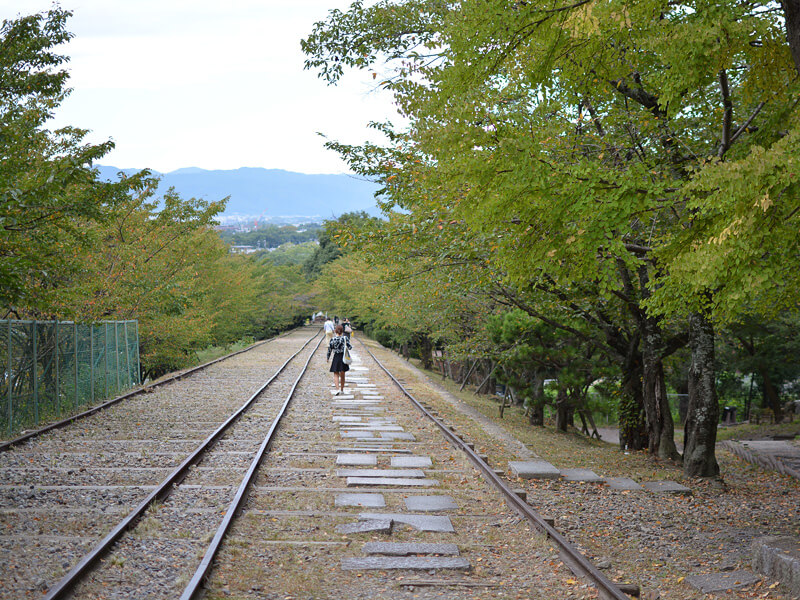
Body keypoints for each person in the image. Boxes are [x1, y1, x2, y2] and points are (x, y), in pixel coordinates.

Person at [327, 324, 352, 395]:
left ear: (335, 331)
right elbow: (350, 347)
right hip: (343, 357)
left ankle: (337, 389)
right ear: (342, 331)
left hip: (336, 357)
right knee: (343, 374)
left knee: (336, 374)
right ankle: (342, 389)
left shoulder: (333, 339)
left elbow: (329, 349)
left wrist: (327, 357)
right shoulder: (345, 338)